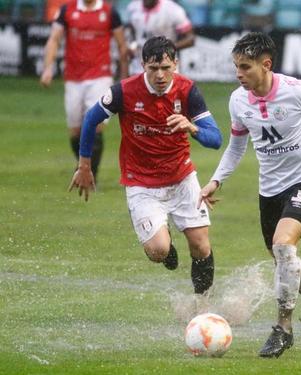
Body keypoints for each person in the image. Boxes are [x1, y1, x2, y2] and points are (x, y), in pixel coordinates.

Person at [198, 32, 301, 358]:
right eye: (235, 66)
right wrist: (215, 181)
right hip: (270, 190)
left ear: (266, 64)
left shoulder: (300, 91)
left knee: (282, 245)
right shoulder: (238, 101)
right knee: (284, 261)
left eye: (245, 67)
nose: (238, 74)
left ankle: (283, 328)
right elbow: (236, 147)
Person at [68, 36, 222, 295]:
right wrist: (84, 165)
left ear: (176, 63)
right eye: (153, 69)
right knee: (157, 251)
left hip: (182, 178)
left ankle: (201, 305)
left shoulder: (187, 90)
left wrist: (192, 126)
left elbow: (215, 139)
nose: (160, 75)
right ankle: (166, 246)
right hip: (141, 183)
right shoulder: (123, 92)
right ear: (143, 66)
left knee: (201, 246)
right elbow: (90, 120)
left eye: (165, 68)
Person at [40, 0, 129, 181]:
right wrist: (48, 68)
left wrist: (124, 76)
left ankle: (90, 175)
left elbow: (122, 46)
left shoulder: (109, 13)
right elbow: (54, 39)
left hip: (100, 76)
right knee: (75, 131)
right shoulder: (66, 10)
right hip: (73, 77)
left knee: (95, 124)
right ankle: (84, 165)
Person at [126, 0, 196, 75]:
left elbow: (190, 39)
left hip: (165, 65)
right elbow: (132, 30)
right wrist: (132, 45)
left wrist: (166, 48)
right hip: (139, 65)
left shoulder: (173, 9)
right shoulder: (133, 7)